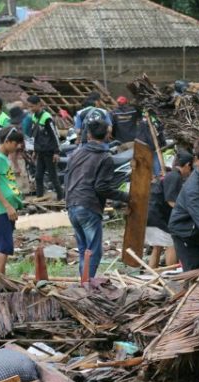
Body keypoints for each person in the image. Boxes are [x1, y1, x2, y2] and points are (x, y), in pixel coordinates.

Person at [65, 109, 129, 279]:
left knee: (83, 251)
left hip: (72, 204)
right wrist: (126, 197)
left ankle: (83, 284)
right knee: (93, 252)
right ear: (108, 135)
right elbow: (102, 188)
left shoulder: (76, 152)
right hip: (87, 206)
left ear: (89, 134)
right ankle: (86, 286)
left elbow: (67, 177)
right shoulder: (105, 157)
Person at [146, 150, 193, 268]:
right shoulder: (174, 176)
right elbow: (171, 200)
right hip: (156, 216)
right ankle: (170, 273)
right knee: (173, 242)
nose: (190, 171)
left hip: (149, 215)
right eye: (190, 168)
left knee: (157, 246)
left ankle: (152, 273)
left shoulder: (171, 175)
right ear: (187, 165)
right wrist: (187, 212)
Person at [0, 127, 24, 274]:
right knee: (4, 246)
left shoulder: (3, 158)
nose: (17, 147)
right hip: (1, 208)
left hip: (3, 207)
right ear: (7, 141)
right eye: (15, 144)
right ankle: (0, 282)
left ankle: (0, 280)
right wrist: (8, 206)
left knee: (2, 246)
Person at [26, 95, 63, 200]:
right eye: (29, 107)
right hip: (40, 151)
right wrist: (34, 150)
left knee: (53, 176)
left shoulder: (47, 117)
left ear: (39, 104)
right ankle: (39, 197)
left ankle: (61, 197)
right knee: (38, 176)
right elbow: (35, 135)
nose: (31, 109)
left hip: (49, 151)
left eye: (32, 106)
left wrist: (56, 152)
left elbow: (55, 134)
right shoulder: (34, 117)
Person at [135, 111, 166, 177]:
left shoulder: (142, 123)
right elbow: (159, 133)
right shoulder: (153, 122)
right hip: (150, 145)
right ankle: (157, 175)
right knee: (154, 159)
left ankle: (155, 175)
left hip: (145, 144)